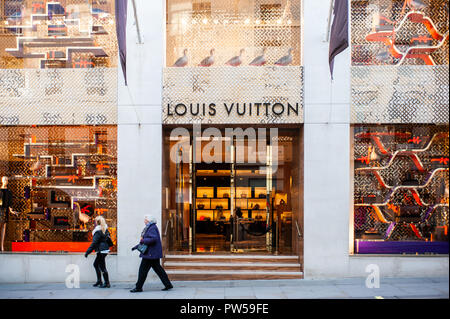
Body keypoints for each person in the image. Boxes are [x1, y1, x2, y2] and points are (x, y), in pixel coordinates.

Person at [130, 215, 173, 292]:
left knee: (143, 270)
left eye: (145, 219)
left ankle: (138, 287)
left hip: (150, 254)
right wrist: (137, 246)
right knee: (159, 270)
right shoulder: (151, 227)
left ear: (149, 221)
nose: (144, 221)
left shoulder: (152, 228)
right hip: (152, 253)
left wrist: (142, 240)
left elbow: (153, 239)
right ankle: (168, 284)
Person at [84, 215, 112, 288]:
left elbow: (94, 243)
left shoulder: (98, 231)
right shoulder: (105, 229)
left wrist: (87, 252)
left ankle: (107, 283)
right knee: (96, 264)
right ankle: (99, 281)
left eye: (95, 222)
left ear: (97, 222)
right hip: (104, 250)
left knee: (102, 266)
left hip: (101, 251)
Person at [0, 176, 15, 252]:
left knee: (3, 228)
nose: (6, 180)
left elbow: (10, 203)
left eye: (7, 180)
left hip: (5, 210)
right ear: (2, 181)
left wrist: (11, 211)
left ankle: (2, 245)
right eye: (4, 179)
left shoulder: (9, 191)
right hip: (0, 210)